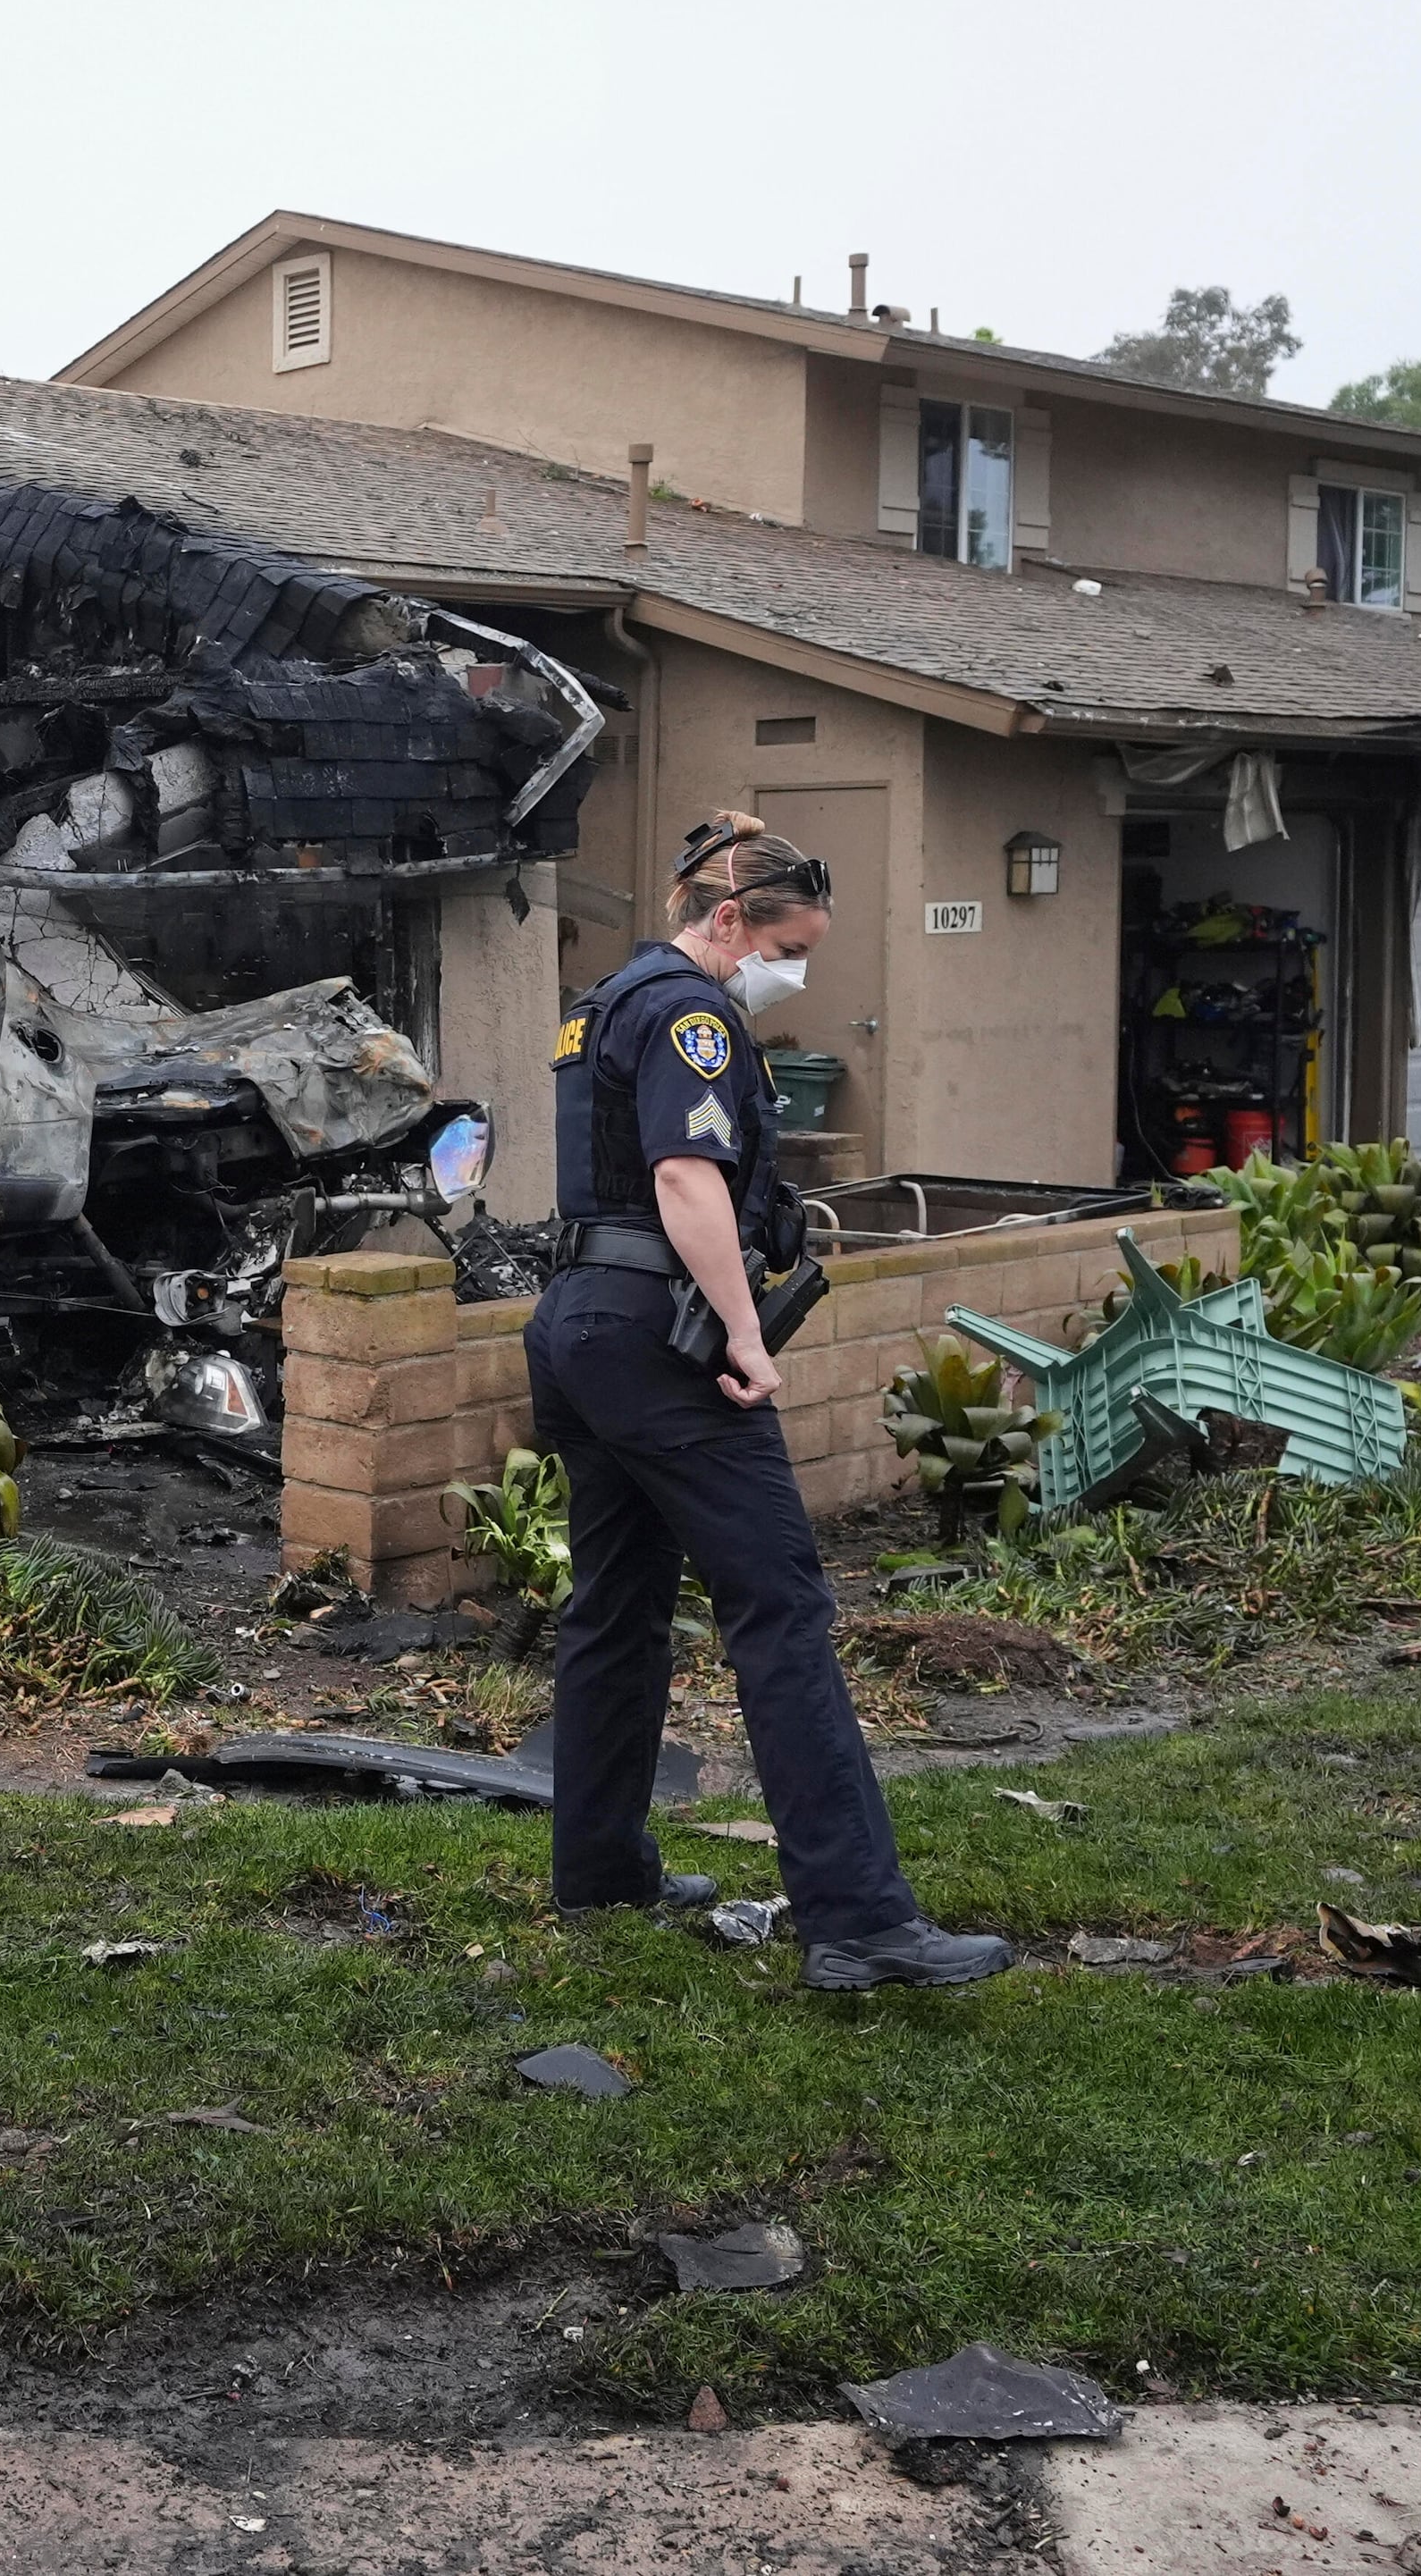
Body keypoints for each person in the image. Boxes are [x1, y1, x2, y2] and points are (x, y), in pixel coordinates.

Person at [530, 815, 1009, 1995]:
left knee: (620, 1602)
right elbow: (685, 1176)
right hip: (662, 1338)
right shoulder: (690, 1014)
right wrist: (744, 1333)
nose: (792, 971)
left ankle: (600, 1869)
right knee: (781, 1606)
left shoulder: (601, 1003)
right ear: (730, 919)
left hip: (581, 1325)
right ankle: (856, 1918)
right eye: (788, 944)